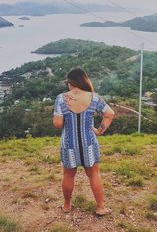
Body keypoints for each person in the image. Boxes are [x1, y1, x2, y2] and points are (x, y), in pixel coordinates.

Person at [52, 68, 115, 216]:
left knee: (68, 175)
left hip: (69, 144)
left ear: (70, 83)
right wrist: (99, 131)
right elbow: (109, 113)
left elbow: (58, 124)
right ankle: (100, 207)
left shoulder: (61, 98)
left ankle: (67, 205)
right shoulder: (94, 97)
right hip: (89, 144)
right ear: (83, 80)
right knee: (94, 174)